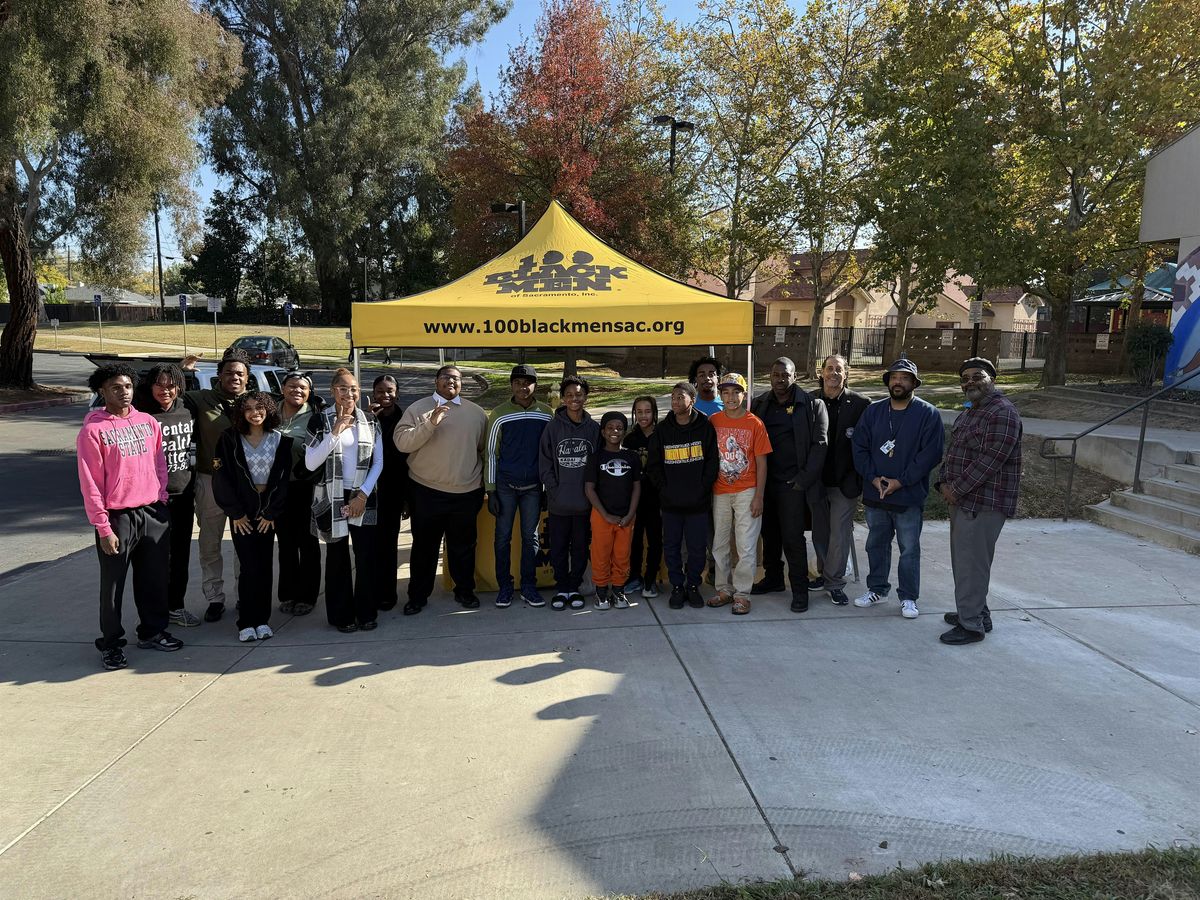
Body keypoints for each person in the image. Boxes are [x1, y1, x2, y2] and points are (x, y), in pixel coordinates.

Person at [78, 363, 182, 670]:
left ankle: (153, 631)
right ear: (102, 392)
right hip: (117, 518)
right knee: (113, 586)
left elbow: (159, 464)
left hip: (152, 511)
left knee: (154, 579)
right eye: (115, 388)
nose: (123, 392)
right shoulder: (93, 430)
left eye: (127, 386)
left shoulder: (148, 422)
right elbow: (91, 482)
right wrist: (103, 526)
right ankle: (111, 644)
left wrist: (161, 498)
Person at [936, 357, 1023, 645]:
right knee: (967, 562)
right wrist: (942, 483)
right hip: (963, 501)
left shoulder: (1002, 412)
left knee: (972, 563)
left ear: (992, 379)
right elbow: (954, 452)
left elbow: (991, 460)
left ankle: (971, 625)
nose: (970, 381)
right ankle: (976, 612)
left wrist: (956, 489)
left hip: (983, 503)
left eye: (978, 376)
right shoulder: (972, 411)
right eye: (965, 378)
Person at [850, 358, 945, 619]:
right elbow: (859, 447)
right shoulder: (874, 411)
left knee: (909, 549)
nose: (898, 382)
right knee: (876, 545)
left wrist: (900, 481)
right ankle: (877, 590)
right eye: (894, 377)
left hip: (908, 496)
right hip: (875, 494)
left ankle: (908, 597)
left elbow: (930, 455)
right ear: (888, 381)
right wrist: (872, 478)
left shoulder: (928, 414)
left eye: (904, 378)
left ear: (914, 383)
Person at [394, 365, 488, 615]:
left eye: (456, 378)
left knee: (463, 547)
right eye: (446, 377)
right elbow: (403, 444)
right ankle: (417, 596)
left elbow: (480, 448)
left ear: (462, 384)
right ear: (436, 381)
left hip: (466, 493)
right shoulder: (418, 409)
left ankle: (464, 590)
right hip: (426, 491)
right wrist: (430, 424)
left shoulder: (476, 413)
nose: (451, 381)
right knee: (424, 547)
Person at [306, 369, 384, 633]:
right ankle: (342, 616)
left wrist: (362, 494)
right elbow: (310, 462)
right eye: (342, 388)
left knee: (366, 557)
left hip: (362, 495)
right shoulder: (319, 421)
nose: (348, 394)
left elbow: (378, 462)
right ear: (332, 391)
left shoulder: (370, 420)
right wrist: (336, 432)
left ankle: (366, 612)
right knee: (337, 557)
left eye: (353, 389)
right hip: (332, 496)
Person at [750, 357, 829, 613]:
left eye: (785, 375)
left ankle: (800, 591)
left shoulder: (812, 405)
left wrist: (802, 480)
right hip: (765, 483)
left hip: (793, 485)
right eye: (776, 375)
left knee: (793, 539)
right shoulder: (760, 403)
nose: (780, 380)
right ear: (770, 376)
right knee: (769, 535)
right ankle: (773, 579)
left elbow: (820, 446)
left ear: (794, 376)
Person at [213, 392, 292, 642]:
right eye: (248, 409)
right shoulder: (229, 439)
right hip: (242, 515)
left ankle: (262, 620)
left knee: (265, 566)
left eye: (259, 407)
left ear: (268, 409)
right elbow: (221, 478)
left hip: (267, 514)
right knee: (248, 568)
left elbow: (282, 480)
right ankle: (246, 622)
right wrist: (235, 513)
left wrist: (271, 512)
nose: (254, 413)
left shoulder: (280, 440)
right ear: (240, 413)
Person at [183, 348, 250, 623]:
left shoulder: (255, 403)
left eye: (240, 373)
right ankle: (214, 597)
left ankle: (244, 595)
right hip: (210, 480)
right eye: (229, 372)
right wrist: (184, 373)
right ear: (219, 375)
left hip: (244, 483)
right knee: (210, 543)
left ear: (247, 378)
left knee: (243, 543)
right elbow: (168, 398)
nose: (234, 377)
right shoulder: (201, 399)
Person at [133, 363, 199, 628]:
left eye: (171, 384)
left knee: (180, 555)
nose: (165, 390)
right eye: (159, 384)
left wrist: (179, 371)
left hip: (183, 493)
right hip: (152, 499)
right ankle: (154, 613)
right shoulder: (140, 412)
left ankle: (175, 606)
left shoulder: (187, 408)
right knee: (153, 559)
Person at [485, 364, 553, 609]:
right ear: (511, 385)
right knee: (502, 538)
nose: (523, 387)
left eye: (528, 382)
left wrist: (547, 488)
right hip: (505, 487)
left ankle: (528, 586)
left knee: (530, 539)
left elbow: (550, 454)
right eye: (518, 383)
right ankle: (505, 586)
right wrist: (490, 489)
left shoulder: (546, 413)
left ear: (535, 385)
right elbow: (492, 454)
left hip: (533, 487)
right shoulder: (499, 414)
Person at [646, 382, 718, 609]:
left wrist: (702, 488)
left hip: (698, 503)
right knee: (672, 547)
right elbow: (654, 465)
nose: (675, 401)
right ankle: (677, 586)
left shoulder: (705, 427)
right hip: (671, 504)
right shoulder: (663, 430)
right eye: (673, 397)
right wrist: (665, 490)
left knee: (697, 548)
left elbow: (712, 463)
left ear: (692, 400)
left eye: (680, 397)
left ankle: (693, 585)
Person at [808, 354, 870, 606]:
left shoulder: (861, 404)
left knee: (839, 534)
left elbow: (867, 443)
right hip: (816, 481)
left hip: (845, 482)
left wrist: (860, 476)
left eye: (839, 369)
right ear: (821, 373)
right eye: (829, 369)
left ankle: (835, 582)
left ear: (846, 373)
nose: (834, 373)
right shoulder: (809, 400)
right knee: (820, 533)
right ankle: (824, 574)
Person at [707, 373, 772, 615]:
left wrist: (759, 496)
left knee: (746, 545)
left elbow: (762, 463)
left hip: (747, 490)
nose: (731, 397)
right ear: (720, 394)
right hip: (720, 490)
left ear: (744, 394)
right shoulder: (713, 421)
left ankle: (743, 593)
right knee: (720, 543)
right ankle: (724, 589)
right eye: (726, 392)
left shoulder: (754, 423)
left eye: (736, 392)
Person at [539, 375, 601, 610]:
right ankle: (561, 587)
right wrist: (554, 490)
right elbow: (544, 464)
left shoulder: (593, 428)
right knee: (558, 547)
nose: (574, 399)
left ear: (585, 397)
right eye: (569, 395)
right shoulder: (553, 428)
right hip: (559, 503)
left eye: (579, 395)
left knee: (580, 548)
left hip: (584, 504)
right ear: (563, 399)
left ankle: (574, 587)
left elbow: (597, 464)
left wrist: (592, 494)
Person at [275, 371, 322, 617]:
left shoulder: (315, 417)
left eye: (303, 388)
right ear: (282, 388)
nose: (297, 390)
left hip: (305, 487)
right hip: (277, 488)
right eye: (292, 386)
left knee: (308, 542)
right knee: (285, 543)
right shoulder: (270, 413)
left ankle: (307, 595)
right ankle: (289, 593)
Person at [584, 411, 641, 610]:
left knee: (622, 555)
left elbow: (636, 487)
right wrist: (605, 514)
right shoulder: (596, 457)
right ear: (603, 431)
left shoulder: (631, 457)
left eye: (619, 428)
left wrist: (631, 513)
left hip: (626, 517)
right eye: (610, 427)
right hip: (602, 516)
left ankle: (618, 590)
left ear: (625, 431)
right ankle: (601, 593)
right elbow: (589, 489)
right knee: (601, 554)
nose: (614, 431)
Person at [370, 374, 410, 612]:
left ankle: (387, 594)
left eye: (390, 391)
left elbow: (407, 460)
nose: (385, 395)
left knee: (387, 544)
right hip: (366, 491)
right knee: (369, 546)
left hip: (393, 491)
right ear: (373, 393)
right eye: (380, 391)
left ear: (397, 393)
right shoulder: (364, 418)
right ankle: (370, 590)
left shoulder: (405, 419)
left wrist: (406, 499)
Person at [623, 396, 662, 599]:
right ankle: (635, 576)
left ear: (654, 413)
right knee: (635, 539)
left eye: (647, 411)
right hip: (635, 499)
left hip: (657, 498)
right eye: (639, 412)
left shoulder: (662, 435)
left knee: (655, 539)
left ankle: (650, 579)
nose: (643, 416)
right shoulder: (630, 439)